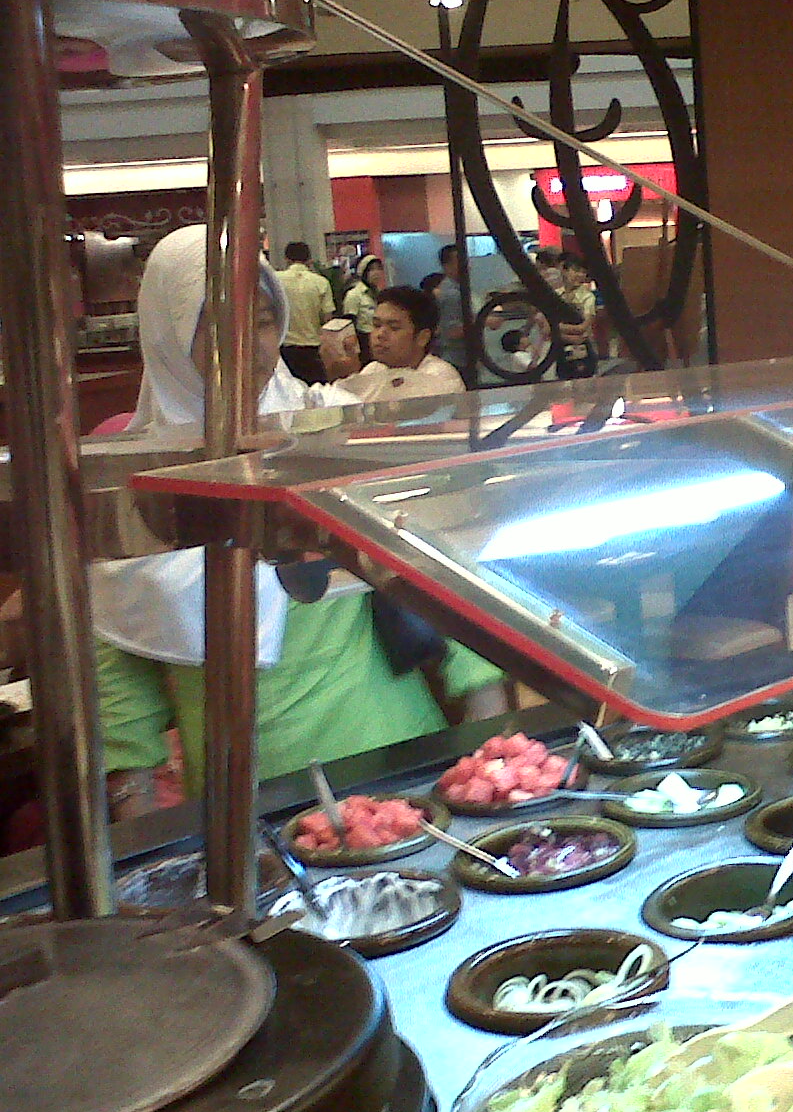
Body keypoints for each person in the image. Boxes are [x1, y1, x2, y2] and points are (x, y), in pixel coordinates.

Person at [92, 225, 505, 819]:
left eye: (263, 322)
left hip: (399, 763)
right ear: (168, 330)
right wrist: (147, 826)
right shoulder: (137, 479)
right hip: (244, 806)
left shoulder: (327, 430)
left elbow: (437, 568)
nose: (248, 346)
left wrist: (490, 738)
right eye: (217, 325)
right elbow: (118, 665)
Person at [336, 285, 467, 403]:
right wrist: (348, 378)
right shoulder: (373, 369)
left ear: (423, 337)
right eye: (376, 325)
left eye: (394, 328)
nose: (380, 334)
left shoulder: (441, 377)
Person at [275, 241, 335, 384]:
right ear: (309, 260)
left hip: (285, 351)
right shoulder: (321, 282)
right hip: (312, 351)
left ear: (286, 259)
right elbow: (328, 319)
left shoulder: (276, 280)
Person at [556, 251, 598, 380]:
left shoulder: (588, 297)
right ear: (564, 270)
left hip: (582, 349)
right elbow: (546, 328)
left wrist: (557, 328)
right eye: (575, 270)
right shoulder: (555, 295)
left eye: (583, 272)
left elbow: (583, 327)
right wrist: (566, 335)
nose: (579, 275)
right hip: (560, 350)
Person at [433, 242, 471, 379]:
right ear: (447, 266)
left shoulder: (460, 290)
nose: (467, 266)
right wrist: (481, 322)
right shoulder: (452, 294)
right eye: (460, 262)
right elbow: (453, 331)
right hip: (457, 360)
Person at [341, 253, 386, 362]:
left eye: (379, 269)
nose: (376, 273)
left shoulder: (380, 294)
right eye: (372, 269)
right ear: (363, 272)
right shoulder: (354, 294)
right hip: (363, 344)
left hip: (379, 341)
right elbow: (349, 324)